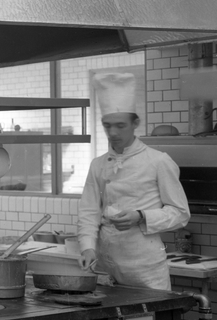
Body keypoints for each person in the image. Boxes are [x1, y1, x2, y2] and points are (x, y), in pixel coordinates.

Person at [77, 72, 190, 290]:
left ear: (135, 123)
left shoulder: (158, 161)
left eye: (120, 125)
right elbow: (89, 211)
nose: (112, 132)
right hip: (105, 266)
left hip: (145, 269)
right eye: (107, 125)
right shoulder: (98, 164)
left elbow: (180, 213)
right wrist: (87, 248)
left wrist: (141, 216)